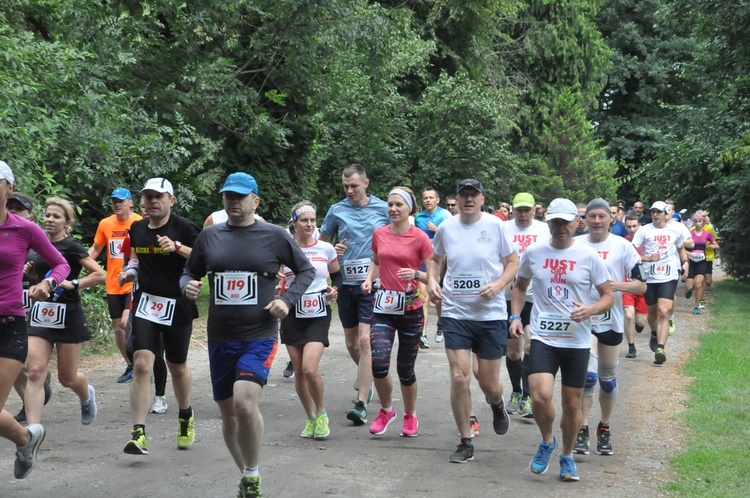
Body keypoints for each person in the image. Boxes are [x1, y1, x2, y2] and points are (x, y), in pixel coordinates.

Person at [181, 172, 315, 498]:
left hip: (260, 334)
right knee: (228, 413)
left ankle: (253, 473)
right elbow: (188, 271)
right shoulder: (209, 237)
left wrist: (286, 299)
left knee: (243, 403)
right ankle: (245, 475)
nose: (233, 202)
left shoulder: (273, 236)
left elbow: (306, 270)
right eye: (228, 196)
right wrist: (187, 286)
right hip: (220, 336)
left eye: (240, 197)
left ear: (255, 201)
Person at [510, 197, 613, 482]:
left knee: (571, 404)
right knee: (540, 398)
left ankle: (567, 457)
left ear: (575, 222)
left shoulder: (588, 256)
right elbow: (519, 286)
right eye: (554, 222)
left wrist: (591, 309)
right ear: (548, 222)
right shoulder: (534, 252)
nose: (560, 227)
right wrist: (515, 316)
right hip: (544, 336)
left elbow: (608, 296)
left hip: (576, 341)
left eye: (565, 222)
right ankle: (547, 441)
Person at [426, 179, 520, 463]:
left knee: (489, 382)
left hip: (489, 314)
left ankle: (496, 403)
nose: (468, 199)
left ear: (481, 199)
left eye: (473, 195)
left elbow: (513, 262)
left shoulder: (496, 226)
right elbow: (434, 258)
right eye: (464, 195)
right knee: (459, 376)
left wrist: (499, 285)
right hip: (456, 312)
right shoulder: (446, 227)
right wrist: (432, 279)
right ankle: (465, 441)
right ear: (456, 198)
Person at [118, 177, 201, 455]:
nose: (152, 202)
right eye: (148, 197)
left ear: (171, 201)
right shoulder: (137, 227)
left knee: (177, 366)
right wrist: (129, 272)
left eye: (158, 197)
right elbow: (135, 258)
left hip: (178, 303)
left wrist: (178, 248)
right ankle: (138, 433)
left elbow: (206, 259)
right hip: (147, 303)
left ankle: (185, 414)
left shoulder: (186, 228)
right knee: (141, 364)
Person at [0, 160, 70, 479]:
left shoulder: (25, 229)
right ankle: (26, 438)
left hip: (9, 326)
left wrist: (47, 283)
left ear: (9, 188)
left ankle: (26, 439)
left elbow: (61, 265)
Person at [24, 198, 105, 428]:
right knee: (35, 371)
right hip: (41, 314)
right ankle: (33, 431)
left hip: (68, 314)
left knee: (67, 377)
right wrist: (31, 274)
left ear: (67, 222)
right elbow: (39, 277)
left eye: (56, 216)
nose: (50, 219)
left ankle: (86, 395)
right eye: (48, 215)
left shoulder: (72, 246)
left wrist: (75, 283)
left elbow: (99, 274)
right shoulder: (36, 244)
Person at [318, 164, 389, 425]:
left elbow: (397, 237)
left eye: (354, 186)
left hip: (372, 284)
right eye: (345, 186)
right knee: (350, 343)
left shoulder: (383, 209)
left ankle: (361, 401)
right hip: (346, 283)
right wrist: (331, 250)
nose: (349, 190)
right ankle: (369, 377)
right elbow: (321, 243)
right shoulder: (336, 210)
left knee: (364, 340)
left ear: (366, 183)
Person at [574, 199, 646, 457]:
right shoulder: (576, 244)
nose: (595, 221)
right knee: (588, 376)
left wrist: (616, 286)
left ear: (610, 219)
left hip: (611, 319)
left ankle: (603, 426)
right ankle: (582, 428)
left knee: (607, 380)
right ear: (585, 219)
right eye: (591, 216)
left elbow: (641, 286)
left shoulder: (623, 247)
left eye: (601, 216)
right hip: (583, 320)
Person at [361, 187, 433, 437]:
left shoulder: (420, 238)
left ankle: (410, 416)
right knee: (378, 363)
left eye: (398, 205)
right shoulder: (379, 234)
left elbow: (434, 276)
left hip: (411, 309)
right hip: (383, 308)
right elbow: (376, 260)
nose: (392, 209)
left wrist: (415, 274)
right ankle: (386, 410)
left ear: (410, 209)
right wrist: (369, 279)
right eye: (390, 204)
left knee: (405, 369)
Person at [280, 201, 341, 440]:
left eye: (313, 220)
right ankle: (310, 418)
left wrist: (335, 290)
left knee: (309, 368)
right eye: (304, 220)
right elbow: (276, 276)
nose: (309, 224)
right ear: (294, 223)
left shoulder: (325, 248)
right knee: (298, 370)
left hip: (318, 312)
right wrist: (277, 284)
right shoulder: (284, 249)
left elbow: (338, 277)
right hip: (291, 312)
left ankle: (322, 412)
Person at [6, 192, 53, 423]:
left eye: (19, 208)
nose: (14, 211)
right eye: (10, 207)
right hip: (10, 304)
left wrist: (40, 277)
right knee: (13, 363)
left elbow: (55, 267)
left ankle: (39, 374)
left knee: (22, 360)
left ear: (29, 213)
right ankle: (29, 399)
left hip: (32, 306)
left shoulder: (34, 236)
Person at [502, 193, 549, 418]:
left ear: (534, 210)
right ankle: (515, 390)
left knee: (530, 345)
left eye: (526, 210)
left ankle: (528, 396)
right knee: (513, 351)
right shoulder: (503, 228)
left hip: (535, 296)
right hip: (509, 297)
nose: (522, 214)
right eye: (519, 210)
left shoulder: (544, 230)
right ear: (512, 210)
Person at [89, 188, 142, 383]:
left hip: (132, 282)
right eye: (114, 202)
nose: (117, 204)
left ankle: (141, 364)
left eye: (121, 201)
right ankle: (130, 365)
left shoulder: (139, 222)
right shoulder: (106, 223)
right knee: (118, 328)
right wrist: (80, 264)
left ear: (130, 203)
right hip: (113, 283)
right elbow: (96, 248)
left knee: (124, 323)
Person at [631, 201, 689, 364]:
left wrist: (685, 262)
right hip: (650, 277)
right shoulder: (644, 230)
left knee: (664, 312)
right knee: (652, 313)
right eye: (653, 212)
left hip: (668, 276)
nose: (655, 215)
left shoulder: (676, 229)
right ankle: (655, 333)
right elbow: (631, 250)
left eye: (659, 212)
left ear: (665, 214)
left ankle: (661, 348)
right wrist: (646, 258)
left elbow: (680, 248)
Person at [414, 188, 452, 347]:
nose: (428, 200)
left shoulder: (445, 215)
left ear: (437, 200)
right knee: (423, 297)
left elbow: (452, 237)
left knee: (435, 294)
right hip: (422, 259)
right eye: (425, 198)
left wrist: (437, 230)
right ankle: (423, 334)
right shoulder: (417, 217)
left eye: (431, 197)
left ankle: (441, 323)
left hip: (438, 260)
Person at [622, 214, 648, 358]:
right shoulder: (622, 243)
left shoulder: (646, 243)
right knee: (629, 315)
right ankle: (631, 347)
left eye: (634, 226)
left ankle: (640, 325)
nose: (632, 230)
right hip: (627, 285)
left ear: (639, 227)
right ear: (625, 227)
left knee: (641, 321)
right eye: (629, 227)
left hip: (643, 286)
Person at [684, 212, 718, 314]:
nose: (698, 223)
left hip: (702, 261)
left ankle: (696, 306)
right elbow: (681, 247)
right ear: (693, 222)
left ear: (703, 222)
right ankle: (690, 290)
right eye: (696, 221)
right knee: (690, 286)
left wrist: (712, 246)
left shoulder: (707, 233)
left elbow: (716, 245)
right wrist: (687, 252)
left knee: (699, 284)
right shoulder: (689, 233)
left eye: (700, 221)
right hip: (692, 262)